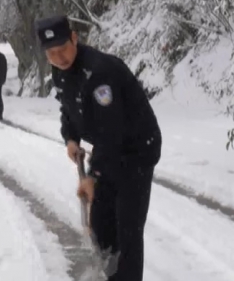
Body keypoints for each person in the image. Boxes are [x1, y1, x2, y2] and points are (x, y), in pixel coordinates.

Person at [35, 15, 162, 281]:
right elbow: (68, 109)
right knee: (101, 225)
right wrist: (70, 139)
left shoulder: (100, 72)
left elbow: (111, 131)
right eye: (51, 53)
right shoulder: (61, 72)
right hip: (110, 151)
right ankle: (110, 273)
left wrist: (94, 177)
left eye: (63, 48)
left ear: (74, 38)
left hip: (137, 150)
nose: (59, 58)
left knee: (127, 229)